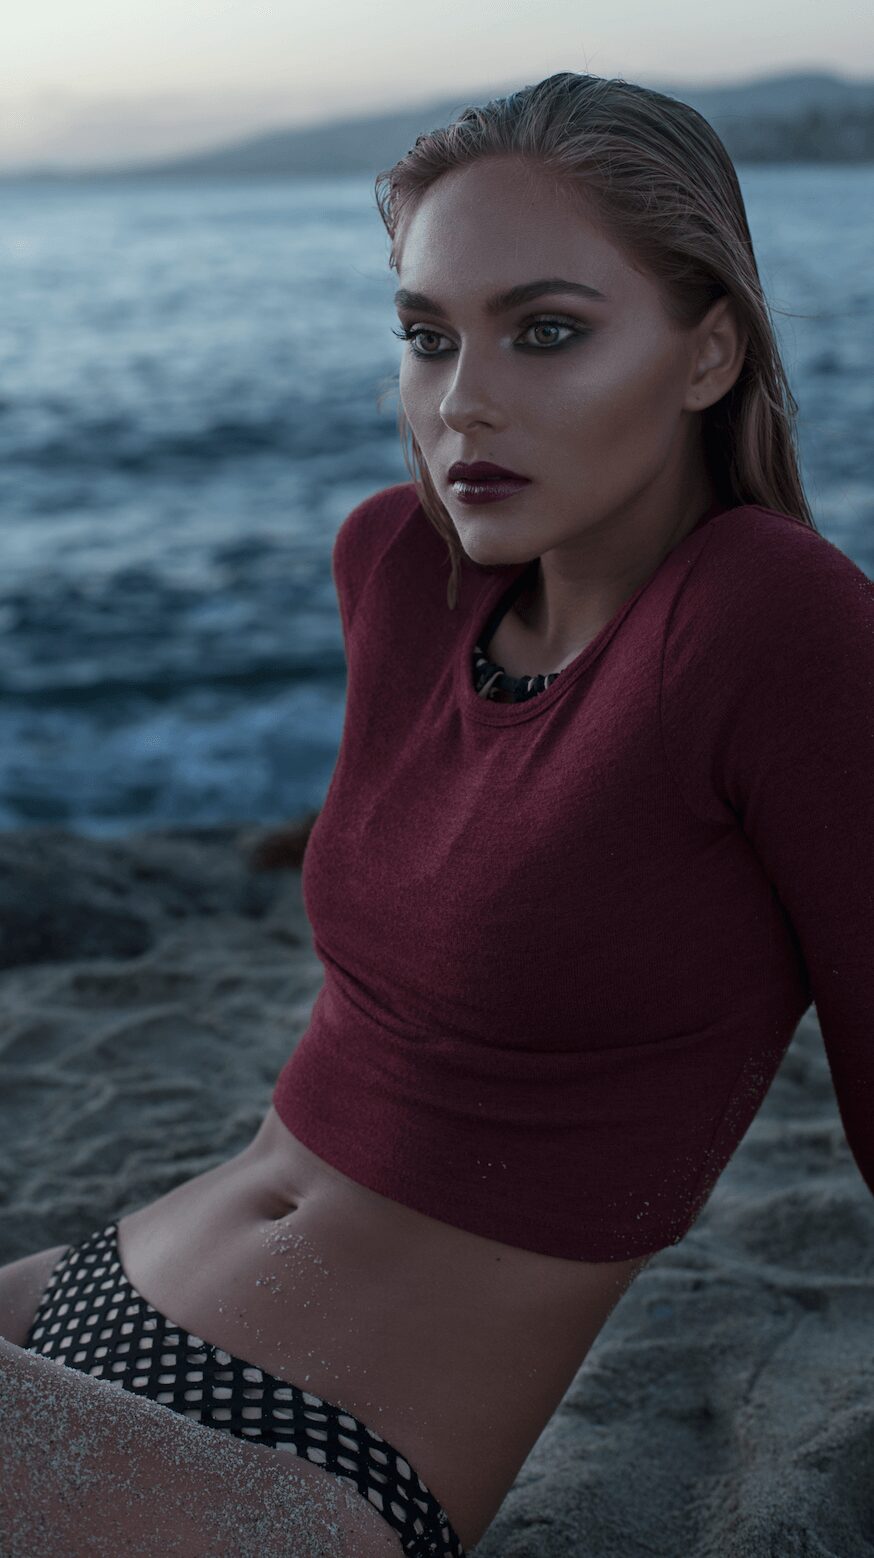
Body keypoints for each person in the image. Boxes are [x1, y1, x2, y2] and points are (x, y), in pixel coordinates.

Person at [2, 70, 873, 1557]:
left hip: (297, 1462)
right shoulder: (397, 567)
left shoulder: (767, 618)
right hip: (92, 1294)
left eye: (546, 332)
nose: (462, 400)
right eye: (425, 336)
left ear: (707, 351)